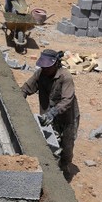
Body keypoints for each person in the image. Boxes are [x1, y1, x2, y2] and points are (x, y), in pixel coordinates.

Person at [21, 49, 80, 178]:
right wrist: (19, 100)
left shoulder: (65, 77)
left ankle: (65, 168)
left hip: (67, 117)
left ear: (56, 64)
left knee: (67, 146)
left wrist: (52, 113)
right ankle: (52, 171)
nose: (45, 69)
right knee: (51, 144)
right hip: (48, 115)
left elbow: (67, 100)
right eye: (43, 67)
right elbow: (26, 88)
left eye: (47, 67)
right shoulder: (41, 74)